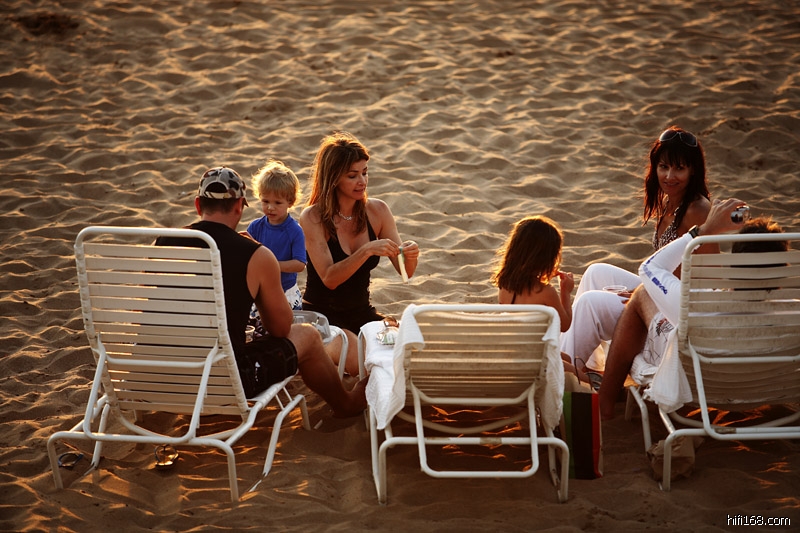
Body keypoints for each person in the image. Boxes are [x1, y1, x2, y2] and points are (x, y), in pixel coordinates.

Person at [157, 167, 366, 417]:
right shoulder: (254, 254)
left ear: (197, 204)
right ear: (239, 207)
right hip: (224, 378)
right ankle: (346, 404)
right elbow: (280, 328)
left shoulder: (163, 243)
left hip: (161, 372)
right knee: (307, 335)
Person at [597, 199, 785, 420]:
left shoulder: (698, 305)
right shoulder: (791, 313)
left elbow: (649, 268)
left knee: (642, 293)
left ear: (734, 265)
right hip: (759, 387)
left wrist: (702, 231)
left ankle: (604, 404)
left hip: (698, 384)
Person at [561, 126, 713, 375]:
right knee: (595, 272)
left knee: (589, 303)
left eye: (679, 168)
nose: (669, 176)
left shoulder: (698, 210)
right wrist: (646, 289)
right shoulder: (671, 201)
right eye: (664, 167)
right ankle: (580, 366)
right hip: (661, 292)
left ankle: (564, 374)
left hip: (673, 312)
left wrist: (644, 293)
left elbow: (705, 278)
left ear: (693, 169)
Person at [299, 131, 420, 354]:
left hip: (362, 313)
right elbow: (329, 278)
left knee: (407, 347)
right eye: (352, 175)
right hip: (322, 316)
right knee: (357, 354)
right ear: (334, 178)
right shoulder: (313, 217)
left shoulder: (378, 211)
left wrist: (410, 255)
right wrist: (366, 251)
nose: (362, 181)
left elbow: (406, 272)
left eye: (365, 172)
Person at [491, 216, 587, 381]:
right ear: (547, 259)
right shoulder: (545, 291)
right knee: (583, 377)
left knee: (567, 358)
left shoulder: (504, 285)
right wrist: (565, 292)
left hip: (515, 352)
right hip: (536, 360)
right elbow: (565, 325)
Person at [246, 159, 306, 310]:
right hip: (260, 289)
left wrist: (272, 265)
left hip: (286, 291)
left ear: (290, 202)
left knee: (287, 324)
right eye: (265, 201)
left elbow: (300, 264)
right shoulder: (255, 227)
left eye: (277, 203)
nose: (270, 207)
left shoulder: (295, 230)